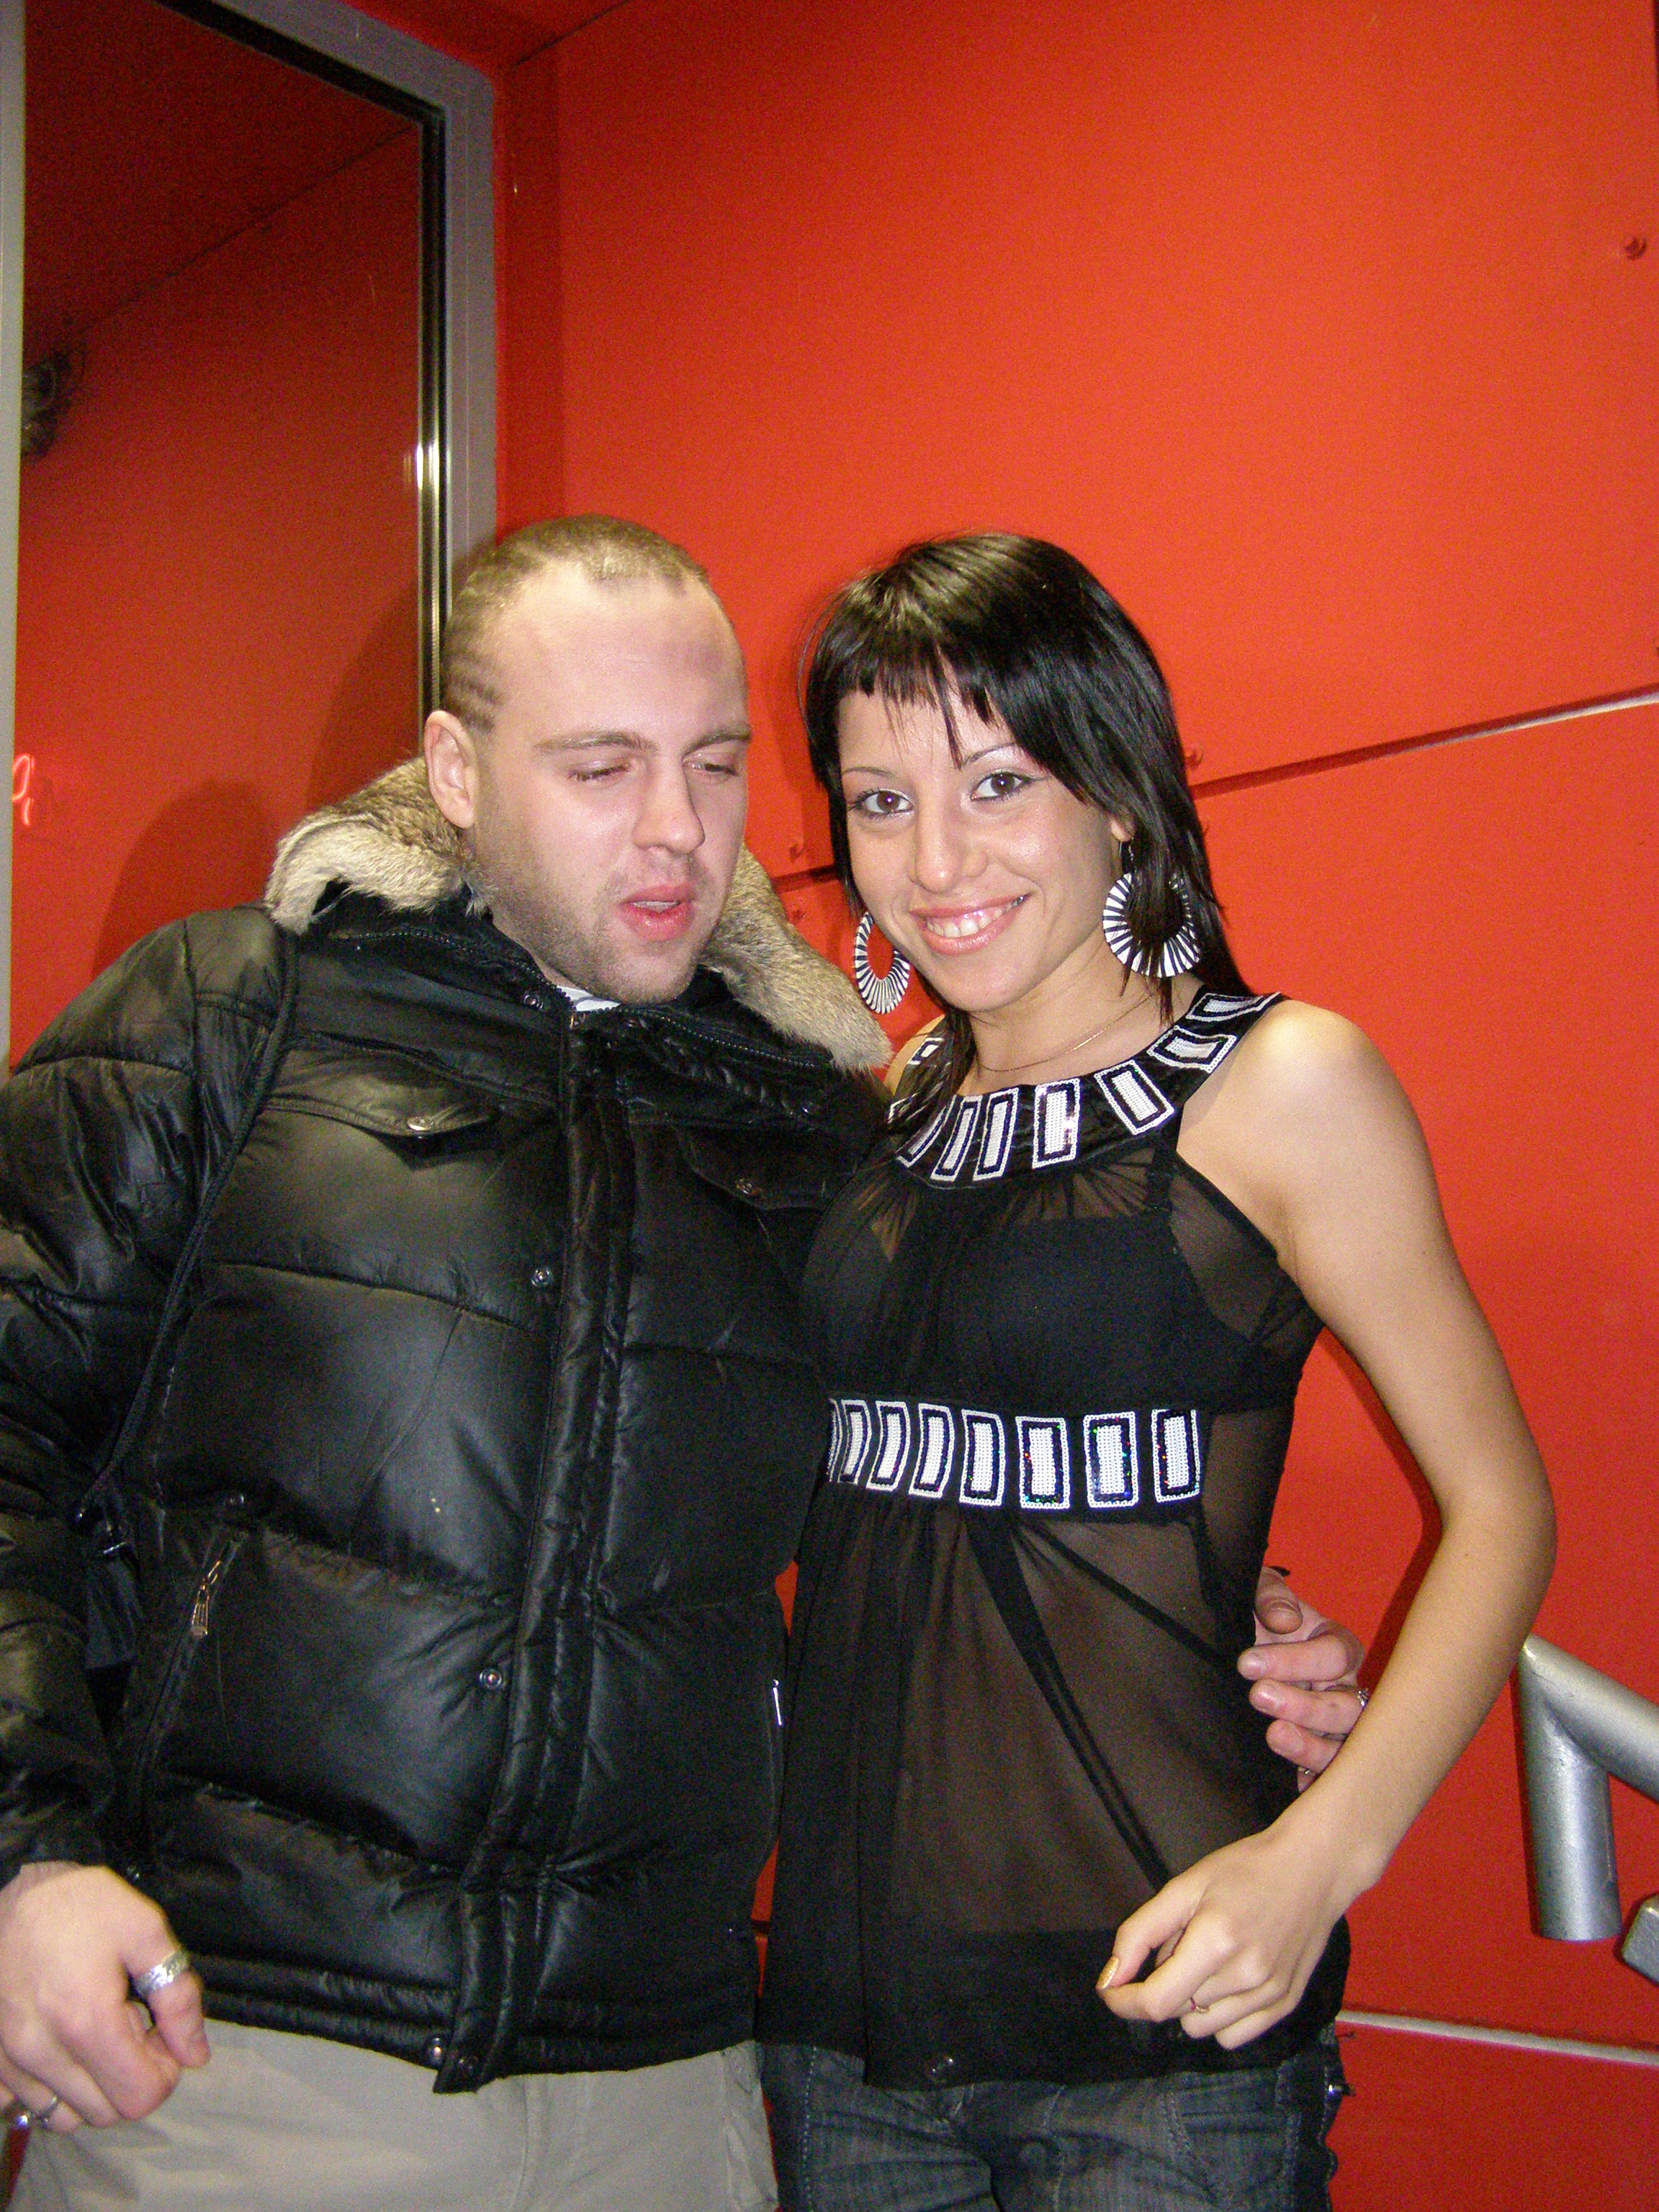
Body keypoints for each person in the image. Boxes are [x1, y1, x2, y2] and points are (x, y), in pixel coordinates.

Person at [0, 516, 1358, 2212]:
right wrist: (21, 1863)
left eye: (715, 766)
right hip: (253, 2054)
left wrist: (1217, 1604)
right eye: (601, 767)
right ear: (456, 772)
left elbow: (955, 1447)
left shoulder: (818, 1128)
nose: (676, 830)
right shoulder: (231, 1017)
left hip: (676, 2086)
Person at [756, 534, 1556, 2211]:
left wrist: (1319, 1861)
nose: (935, 859)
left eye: (998, 783)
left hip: (1161, 2020)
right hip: (845, 2024)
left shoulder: (1282, 1087)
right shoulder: (884, 1114)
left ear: (1119, 794)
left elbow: (1502, 1508)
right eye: (882, 800)